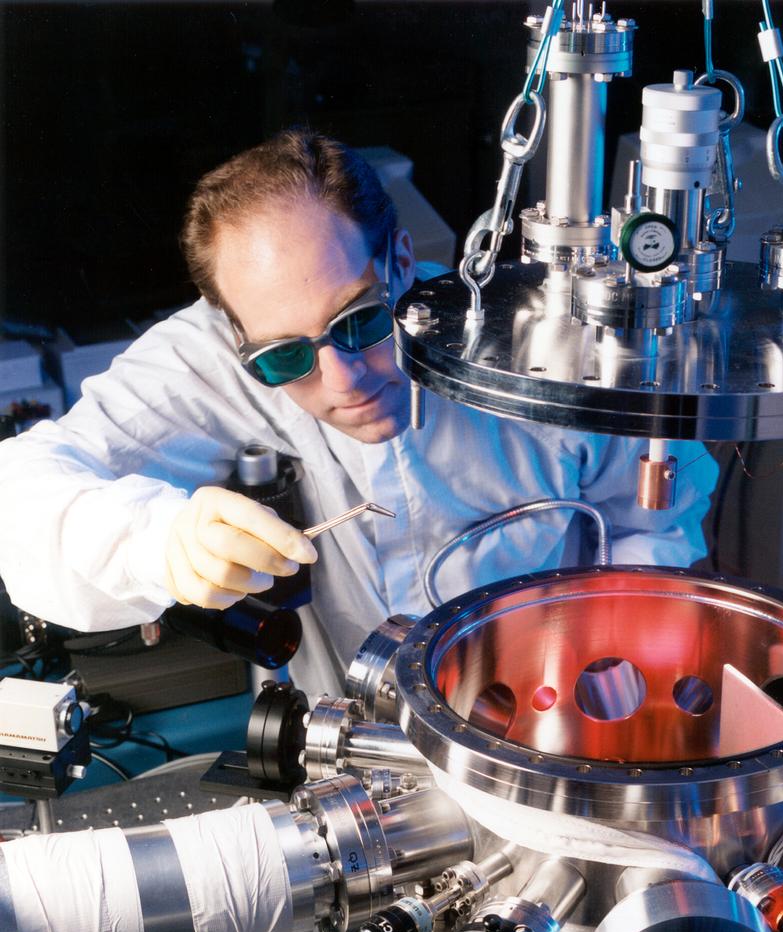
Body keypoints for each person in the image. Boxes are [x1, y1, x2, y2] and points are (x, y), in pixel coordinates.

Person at [0, 129, 718, 695]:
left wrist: (607, 677)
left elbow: (650, 525)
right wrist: (156, 541)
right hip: (346, 754)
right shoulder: (218, 352)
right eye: (286, 359)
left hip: (546, 722)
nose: (342, 378)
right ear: (238, 336)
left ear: (402, 259)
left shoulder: (540, 346)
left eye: (359, 321)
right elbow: (24, 494)